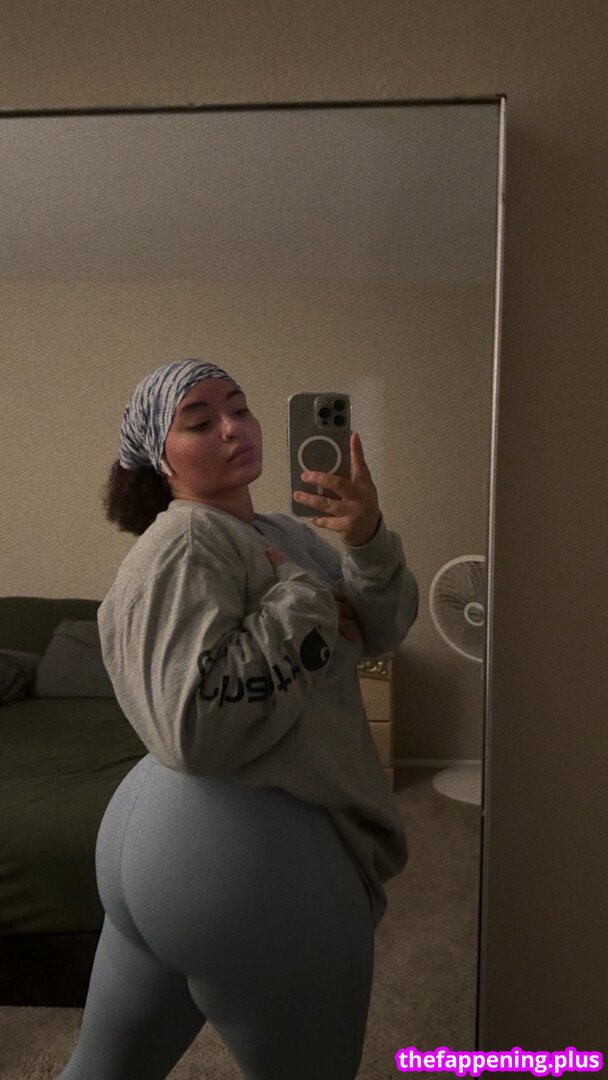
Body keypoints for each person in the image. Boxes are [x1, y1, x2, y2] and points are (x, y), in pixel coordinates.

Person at [56, 358, 418, 1080]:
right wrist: (306, 602)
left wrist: (367, 536)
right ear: (160, 459)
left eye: (240, 408)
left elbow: (379, 629)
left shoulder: (279, 532)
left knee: (104, 1071)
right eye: (199, 420)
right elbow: (193, 728)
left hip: (173, 847)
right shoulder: (184, 544)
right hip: (246, 850)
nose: (232, 428)